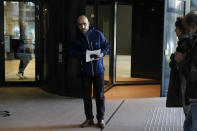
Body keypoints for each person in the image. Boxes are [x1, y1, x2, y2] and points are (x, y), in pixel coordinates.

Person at [69, 15, 109, 129]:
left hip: (99, 71)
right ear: (78, 25)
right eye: (80, 24)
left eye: (84, 24)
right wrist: (84, 55)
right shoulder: (76, 39)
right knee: (86, 97)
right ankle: (89, 119)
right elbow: (70, 52)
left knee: (100, 96)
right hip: (85, 72)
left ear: (88, 23)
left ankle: (100, 118)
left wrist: (102, 53)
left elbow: (107, 45)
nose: (82, 26)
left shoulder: (97, 34)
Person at [181, 11, 197, 131]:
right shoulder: (194, 41)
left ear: (194, 26)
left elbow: (193, 66)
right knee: (188, 125)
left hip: (196, 93)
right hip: (194, 93)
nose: (187, 32)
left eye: (187, 29)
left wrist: (182, 61)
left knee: (192, 126)